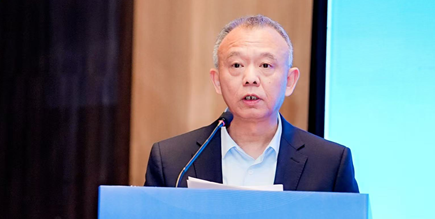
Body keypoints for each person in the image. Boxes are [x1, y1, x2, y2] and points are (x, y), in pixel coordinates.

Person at [145, 15, 359, 192]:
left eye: (265, 65)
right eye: (236, 65)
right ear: (217, 81)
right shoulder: (173, 162)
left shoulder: (329, 164)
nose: (250, 78)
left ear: (289, 81)